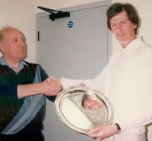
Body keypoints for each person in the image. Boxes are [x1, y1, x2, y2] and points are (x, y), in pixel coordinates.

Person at [60, 2, 152, 141]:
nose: (118, 29)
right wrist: (61, 82)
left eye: (123, 22)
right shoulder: (117, 56)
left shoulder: (147, 54)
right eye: (114, 25)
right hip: (107, 130)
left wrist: (117, 126)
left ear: (134, 23)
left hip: (129, 134)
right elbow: (97, 84)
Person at [0, 26, 63, 141]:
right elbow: (4, 92)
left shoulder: (35, 69)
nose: (22, 44)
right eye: (15, 40)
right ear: (2, 46)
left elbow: (54, 95)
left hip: (33, 136)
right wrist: (41, 86)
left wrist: (75, 96)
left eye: (23, 40)